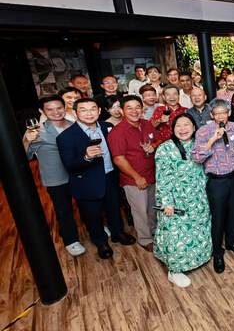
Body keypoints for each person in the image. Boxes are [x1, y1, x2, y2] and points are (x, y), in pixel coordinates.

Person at [56, 98, 136, 259]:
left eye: (93, 109)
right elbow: (69, 165)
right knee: (92, 215)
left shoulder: (108, 127)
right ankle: (100, 242)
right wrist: (86, 156)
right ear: (75, 113)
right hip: (86, 182)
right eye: (83, 110)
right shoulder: (66, 136)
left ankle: (118, 233)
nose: (89, 113)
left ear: (99, 111)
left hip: (110, 176)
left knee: (114, 207)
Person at [154, 113, 212, 287]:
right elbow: (163, 178)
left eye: (187, 125)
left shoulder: (200, 144)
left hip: (199, 197)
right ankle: (175, 269)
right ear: (172, 129)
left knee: (199, 230)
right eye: (178, 126)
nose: (183, 129)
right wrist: (167, 202)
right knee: (176, 234)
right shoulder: (165, 149)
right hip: (176, 199)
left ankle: (199, 257)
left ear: (194, 127)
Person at [24, 95, 85, 256]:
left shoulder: (75, 125)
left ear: (65, 107)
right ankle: (71, 240)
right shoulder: (37, 130)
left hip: (78, 173)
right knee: (64, 210)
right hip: (56, 178)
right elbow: (24, 156)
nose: (56, 112)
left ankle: (95, 227)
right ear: (41, 111)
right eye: (50, 109)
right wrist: (26, 141)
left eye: (59, 108)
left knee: (86, 203)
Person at [192, 99, 234, 274]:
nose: (221, 116)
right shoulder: (203, 131)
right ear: (211, 115)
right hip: (216, 181)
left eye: (224, 112)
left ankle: (231, 242)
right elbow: (196, 157)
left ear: (228, 113)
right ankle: (217, 251)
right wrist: (212, 139)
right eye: (217, 113)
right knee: (217, 218)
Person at [108, 96, 157, 252]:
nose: (134, 111)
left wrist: (153, 146)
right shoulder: (117, 132)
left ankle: (156, 233)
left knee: (153, 208)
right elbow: (118, 159)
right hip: (134, 179)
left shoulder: (147, 124)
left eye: (137, 107)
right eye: (129, 108)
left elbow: (158, 140)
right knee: (140, 210)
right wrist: (137, 177)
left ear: (142, 109)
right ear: (122, 111)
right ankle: (145, 239)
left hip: (153, 175)